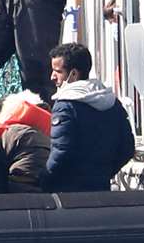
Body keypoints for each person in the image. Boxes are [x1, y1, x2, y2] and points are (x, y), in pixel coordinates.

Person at [45, 42, 136, 192]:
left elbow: (61, 152)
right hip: (100, 188)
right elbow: (127, 148)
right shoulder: (112, 102)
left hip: (68, 193)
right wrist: (102, 173)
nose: (52, 77)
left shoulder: (66, 105)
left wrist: (45, 179)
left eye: (58, 71)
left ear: (73, 74)